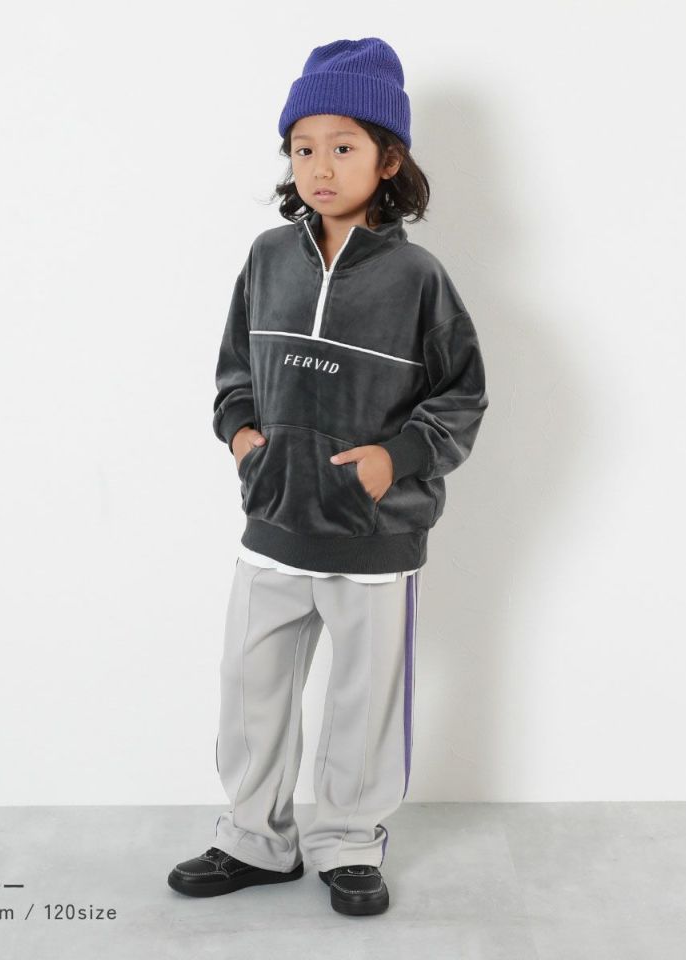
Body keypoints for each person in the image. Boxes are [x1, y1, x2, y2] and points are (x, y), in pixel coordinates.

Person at [168, 36, 489, 917]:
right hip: (273, 521)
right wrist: (241, 436)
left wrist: (397, 459)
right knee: (250, 687)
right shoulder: (268, 257)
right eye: (302, 147)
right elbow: (235, 369)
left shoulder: (419, 279)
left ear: (389, 160)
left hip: (373, 535)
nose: (319, 165)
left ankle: (349, 842)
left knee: (363, 699)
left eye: (342, 146)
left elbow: (463, 393)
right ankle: (255, 840)